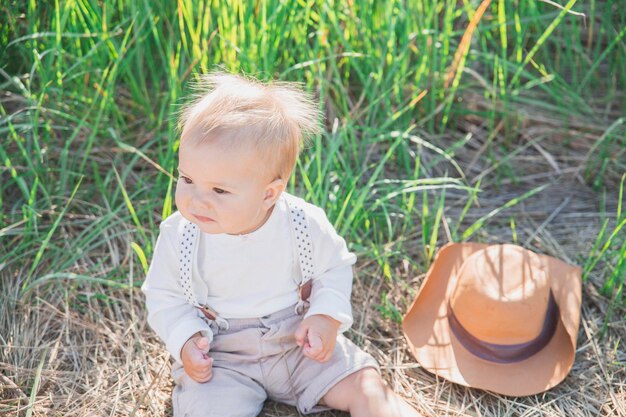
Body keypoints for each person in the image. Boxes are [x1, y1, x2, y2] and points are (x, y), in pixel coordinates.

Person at [142, 72, 422, 417]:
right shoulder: (179, 235)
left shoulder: (302, 224)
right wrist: (185, 339)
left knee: (365, 387)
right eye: (187, 179)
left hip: (297, 342)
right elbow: (163, 295)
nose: (197, 201)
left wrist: (324, 317)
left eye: (219, 190)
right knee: (207, 408)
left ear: (269, 193)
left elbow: (334, 267)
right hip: (221, 355)